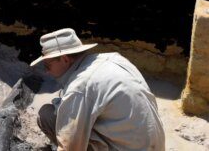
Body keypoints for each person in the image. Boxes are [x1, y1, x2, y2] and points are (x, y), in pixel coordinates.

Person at [31, 28, 165, 151]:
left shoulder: (80, 86)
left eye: (47, 66)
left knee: (47, 116)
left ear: (65, 59)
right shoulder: (114, 58)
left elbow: (70, 148)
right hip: (154, 146)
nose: (47, 72)